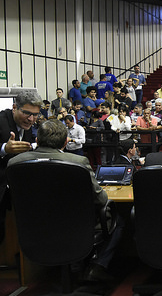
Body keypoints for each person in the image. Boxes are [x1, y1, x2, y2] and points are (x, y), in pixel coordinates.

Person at [8, 119, 123, 282]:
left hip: (34, 229)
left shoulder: (15, 162)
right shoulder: (78, 162)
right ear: (66, 142)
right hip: (76, 228)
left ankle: (72, 267)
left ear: (36, 141)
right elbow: (101, 200)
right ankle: (96, 266)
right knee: (117, 219)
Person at [0, 91, 42, 244]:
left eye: (35, 115)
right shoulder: (1, 120)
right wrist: (4, 148)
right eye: (27, 113)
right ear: (14, 108)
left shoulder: (27, 124)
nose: (31, 119)